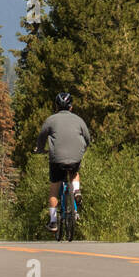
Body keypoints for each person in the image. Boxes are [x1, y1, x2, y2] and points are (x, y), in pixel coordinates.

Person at [33, 92, 92, 232]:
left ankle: (53, 222)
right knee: (74, 172)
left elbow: (41, 138)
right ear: (71, 107)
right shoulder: (79, 120)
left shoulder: (50, 120)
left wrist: (39, 149)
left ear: (56, 106)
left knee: (54, 190)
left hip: (56, 159)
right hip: (75, 156)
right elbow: (87, 138)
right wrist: (83, 148)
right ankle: (76, 190)